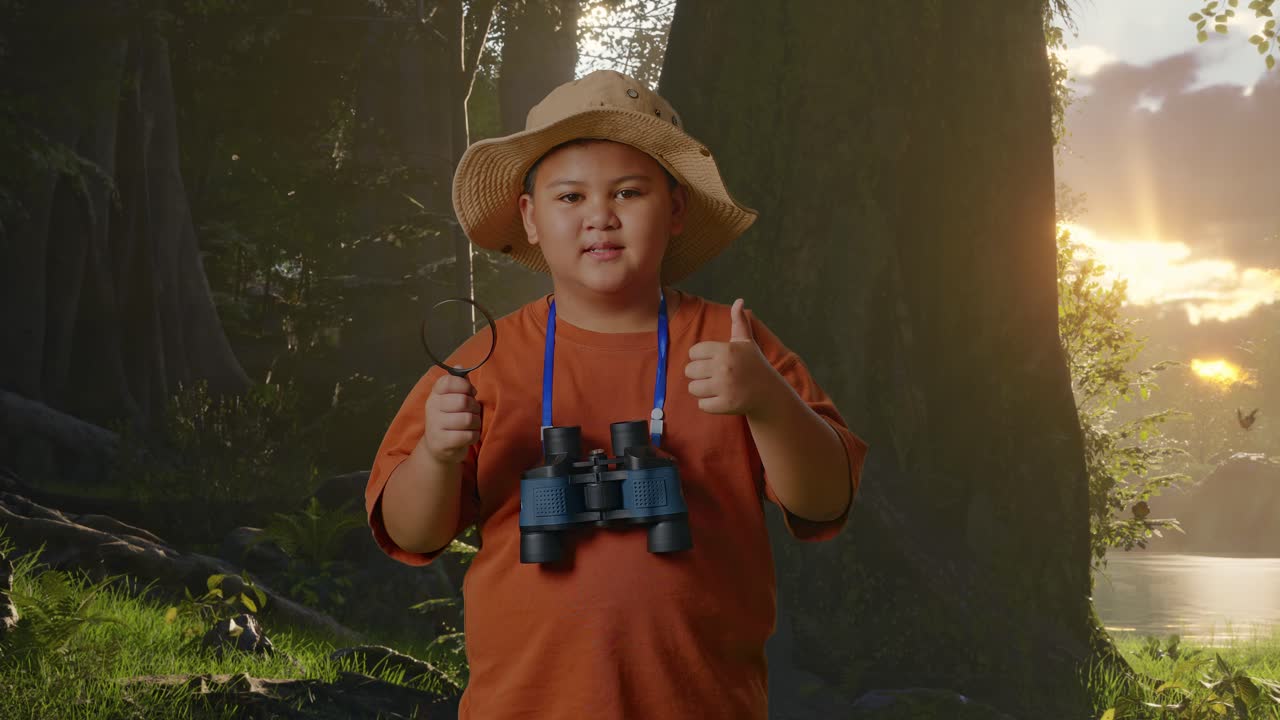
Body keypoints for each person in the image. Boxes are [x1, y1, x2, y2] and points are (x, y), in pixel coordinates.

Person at [365, 69, 869, 720]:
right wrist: (435, 455)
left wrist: (767, 401)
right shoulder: (481, 365)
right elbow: (412, 534)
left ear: (677, 208)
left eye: (629, 193)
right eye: (570, 197)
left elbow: (827, 500)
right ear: (531, 218)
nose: (600, 216)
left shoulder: (734, 346)